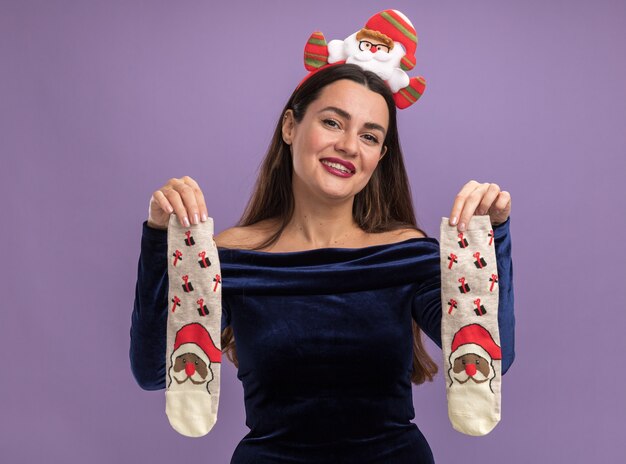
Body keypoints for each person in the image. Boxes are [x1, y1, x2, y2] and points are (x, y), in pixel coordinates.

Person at [130, 63, 514, 463]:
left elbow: (492, 358)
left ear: (379, 156)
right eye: (333, 122)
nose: (349, 145)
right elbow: (155, 371)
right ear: (290, 127)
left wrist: (494, 238)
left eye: (369, 136)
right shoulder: (229, 258)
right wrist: (160, 238)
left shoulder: (407, 253)